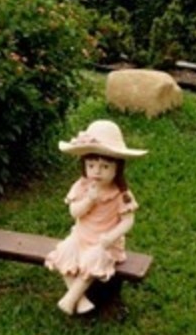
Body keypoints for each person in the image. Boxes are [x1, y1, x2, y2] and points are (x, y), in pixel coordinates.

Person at [44, 119, 146, 315]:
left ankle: (70, 298)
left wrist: (112, 236)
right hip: (81, 236)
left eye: (105, 167)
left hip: (104, 242)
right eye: (91, 165)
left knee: (93, 258)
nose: (97, 172)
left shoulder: (120, 193)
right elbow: (74, 212)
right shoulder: (82, 186)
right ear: (84, 165)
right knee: (64, 252)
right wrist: (88, 201)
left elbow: (128, 220)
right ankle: (80, 300)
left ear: (117, 168)